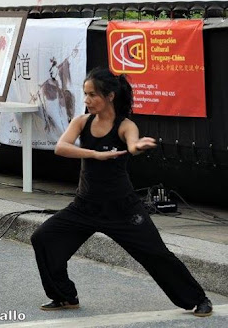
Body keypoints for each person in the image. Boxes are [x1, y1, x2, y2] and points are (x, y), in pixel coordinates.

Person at [30, 68, 212, 317]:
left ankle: (197, 299)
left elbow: (133, 145)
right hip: (85, 207)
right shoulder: (81, 122)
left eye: (92, 95)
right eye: (85, 94)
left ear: (110, 96)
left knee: (156, 254)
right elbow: (61, 147)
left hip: (122, 210)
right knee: (43, 237)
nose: (86, 100)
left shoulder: (125, 126)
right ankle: (63, 296)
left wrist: (138, 146)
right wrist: (95, 154)